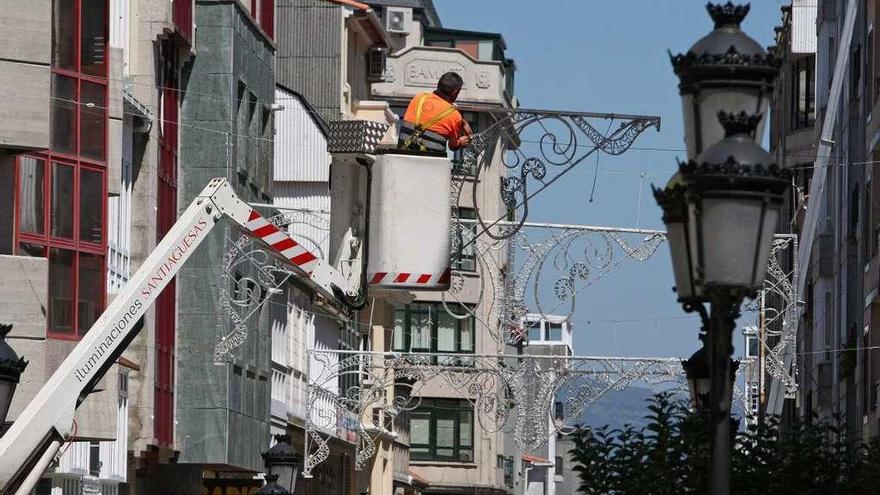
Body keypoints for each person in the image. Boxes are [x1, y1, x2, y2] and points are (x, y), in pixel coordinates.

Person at [399, 71, 473, 152]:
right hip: (431, 162)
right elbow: (453, 146)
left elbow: (429, 118)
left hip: (402, 155)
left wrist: (461, 122)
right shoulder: (454, 116)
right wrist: (462, 141)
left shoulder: (419, 98)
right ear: (455, 92)